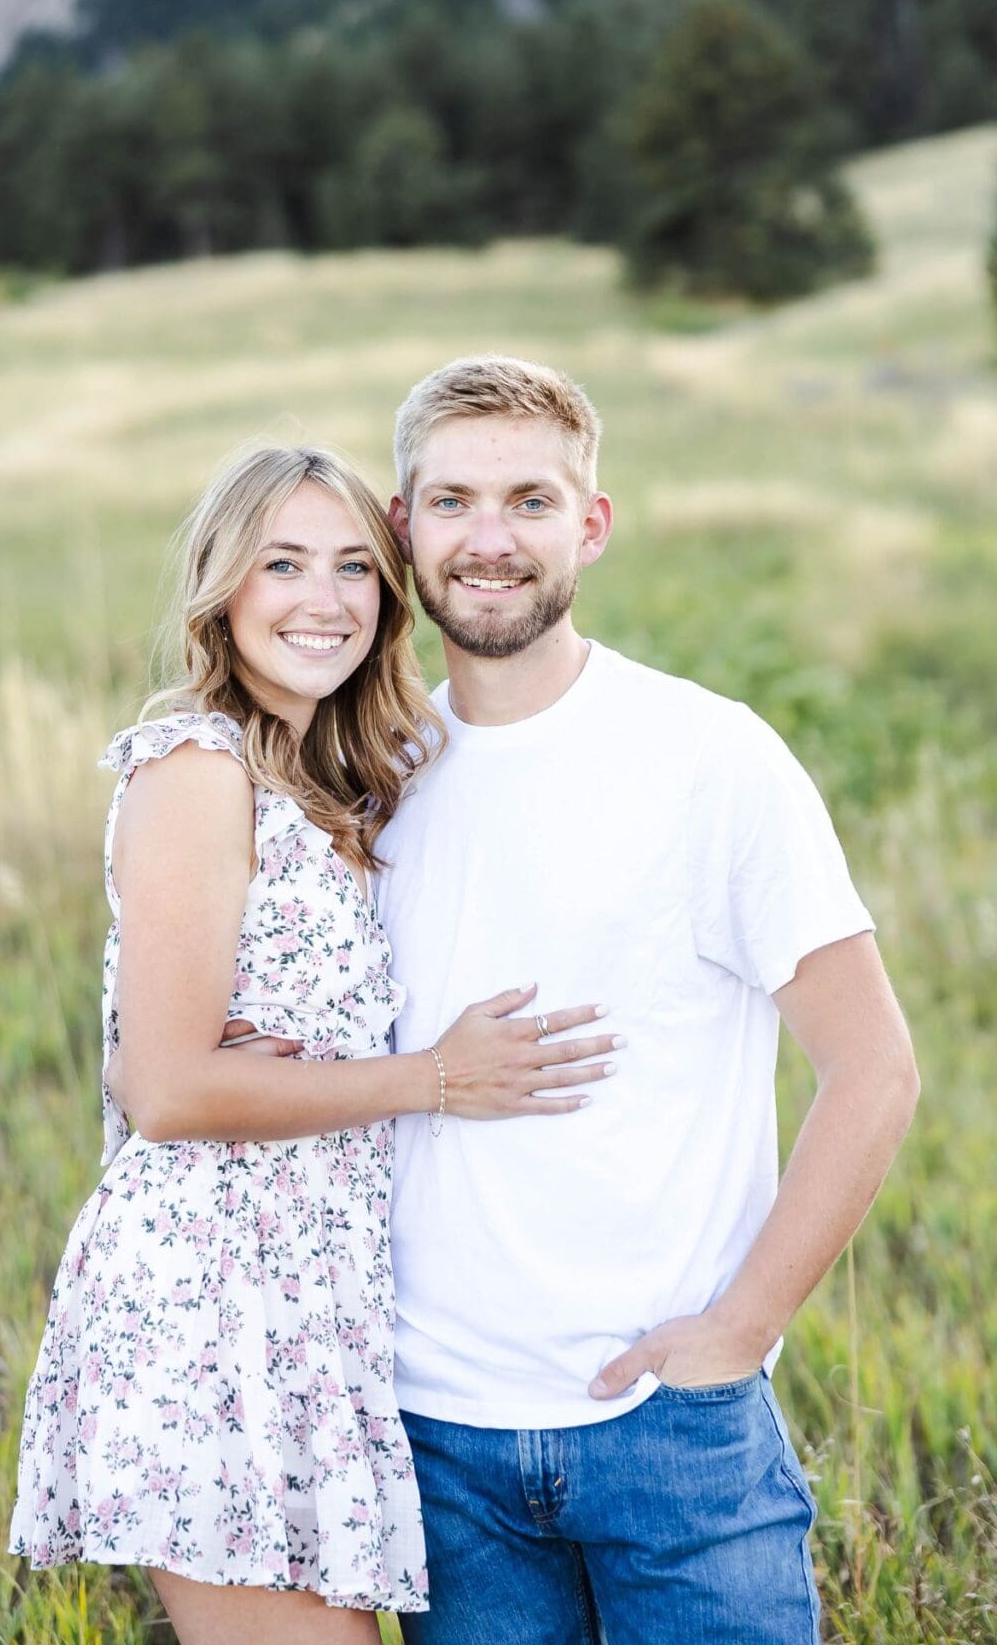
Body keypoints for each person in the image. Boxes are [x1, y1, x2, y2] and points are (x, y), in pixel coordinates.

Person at [11, 444, 621, 1640]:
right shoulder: (195, 765)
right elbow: (170, 1088)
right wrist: (437, 1077)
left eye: (352, 566)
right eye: (281, 563)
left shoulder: (328, 780)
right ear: (223, 587)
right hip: (209, 1301)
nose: (322, 598)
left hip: (313, 1309)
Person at [378, 356, 918, 1644]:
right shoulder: (373, 771)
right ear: (402, 528)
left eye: (530, 499)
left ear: (592, 523)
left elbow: (873, 1066)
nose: (490, 538)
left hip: (669, 1429)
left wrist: (741, 1327)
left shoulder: (706, 755)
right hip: (434, 1433)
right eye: (450, 501)